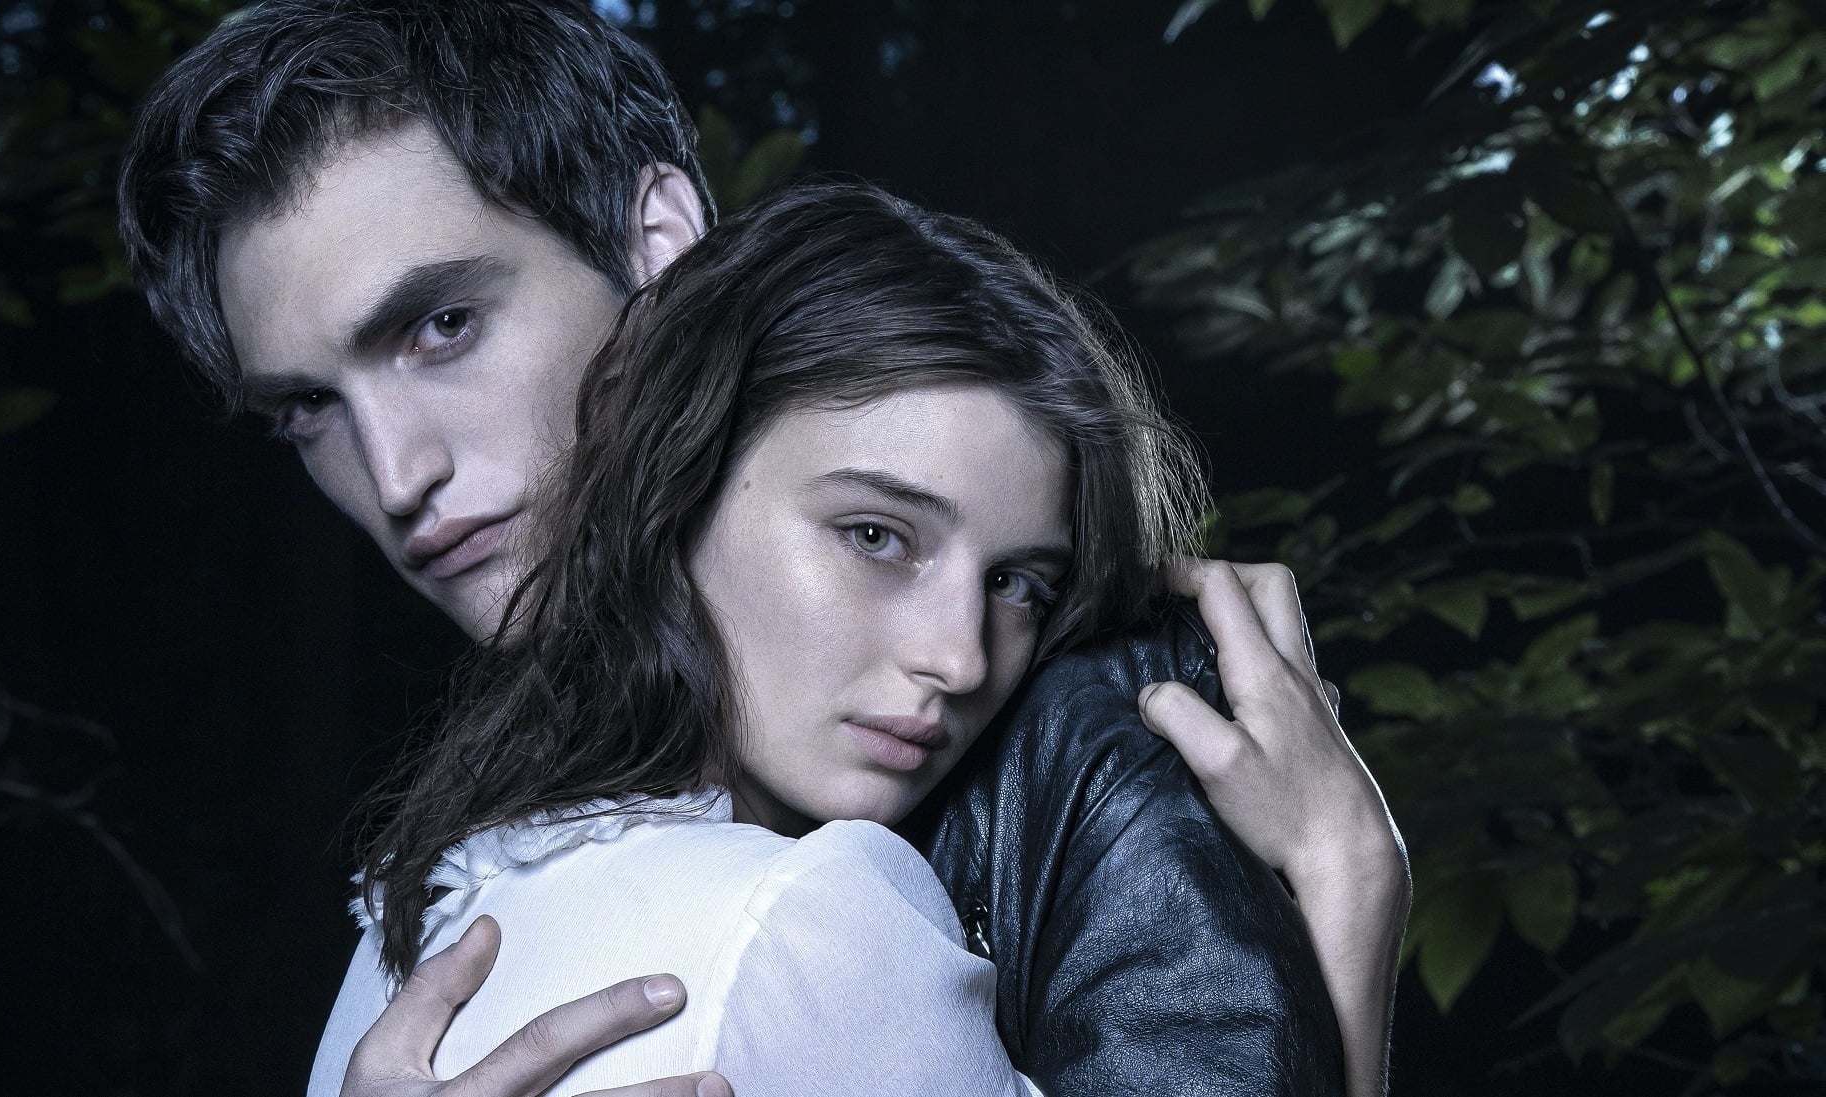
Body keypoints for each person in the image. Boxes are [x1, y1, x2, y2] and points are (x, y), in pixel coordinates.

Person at [115, 2, 1409, 1095]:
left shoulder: (1071, 741)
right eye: (308, 406)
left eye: (442, 325)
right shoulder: (447, 887)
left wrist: (1341, 891)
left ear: (657, 245)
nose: (397, 475)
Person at [307, 180, 1269, 1097]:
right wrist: (1336, 879)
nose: (961, 659)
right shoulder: (811, 913)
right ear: (679, 486)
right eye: (876, 536)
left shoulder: (404, 931)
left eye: (1017, 583)